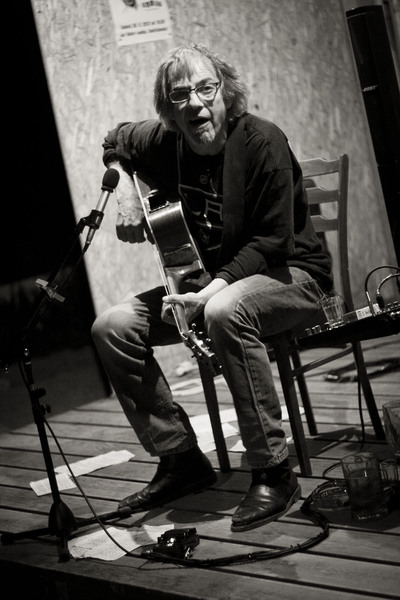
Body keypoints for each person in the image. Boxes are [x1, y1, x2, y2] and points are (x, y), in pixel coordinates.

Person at [92, 43, 333, 532]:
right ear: (168, 109)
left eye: (206, 88)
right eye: (180, 95)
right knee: (112, 327)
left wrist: (209, 292)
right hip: (212, 285)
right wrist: (126, 194)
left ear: (226, 91)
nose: (196, 103)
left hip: (294, 277)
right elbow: (116, 139)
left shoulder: (262, 141)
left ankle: (273, 469)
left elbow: (273, 241)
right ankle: (180, 458)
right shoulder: (167, 140)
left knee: (225, 310)